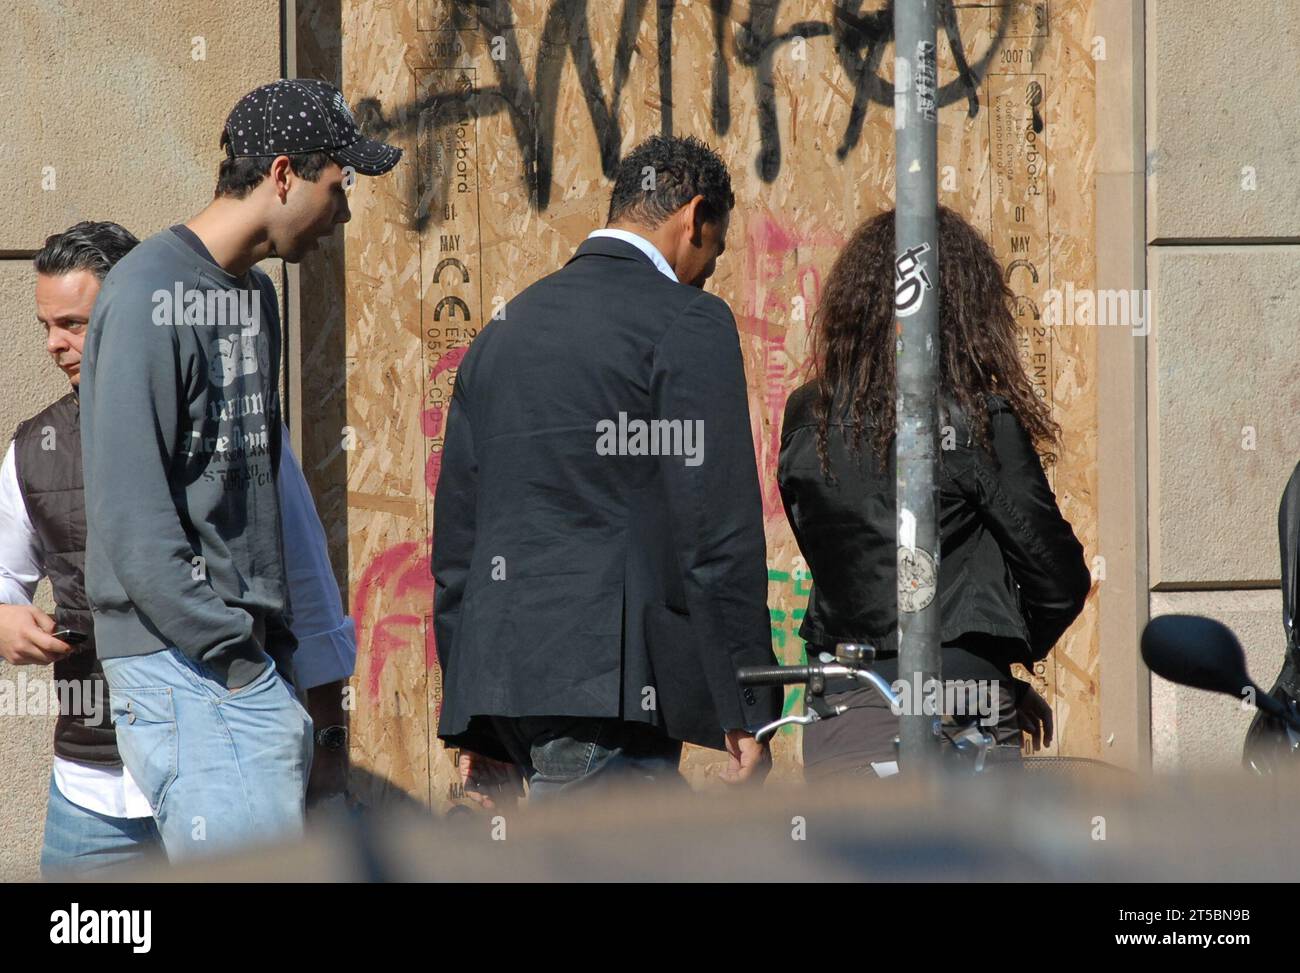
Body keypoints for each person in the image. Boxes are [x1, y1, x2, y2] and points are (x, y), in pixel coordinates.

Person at [79, 80, 398, 859]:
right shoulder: (147, 293)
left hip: (239, 665)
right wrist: (239, 665)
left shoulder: (254, 297)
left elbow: (257, 499)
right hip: (185, 668)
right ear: (283, 174)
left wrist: (283, 658)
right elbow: (132, 523)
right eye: (339, 186)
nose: (345, 213)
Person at [0, 221, 359, 875]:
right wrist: (4, 617)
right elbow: (4, 577)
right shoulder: (32, 450)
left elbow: (307, 589)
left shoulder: (235, 425)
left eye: (75, 324)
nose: (56, 344)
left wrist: (329, 737)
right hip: (90, 797)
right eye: (47, 326)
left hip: (221, 771)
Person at [434, 134, 779, 802]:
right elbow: (716, 534)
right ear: (695, 217)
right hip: (608, 694)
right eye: (715, 249)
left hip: (509, 691)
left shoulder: (500, 335)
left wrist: (474, 718)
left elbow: (458, 550)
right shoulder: (689, 322)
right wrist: (748, 705)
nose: (709, 271)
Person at [778, 206, 1091, 780]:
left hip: (840, 709)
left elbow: (830, 552)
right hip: (956, 713)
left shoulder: (808, 416)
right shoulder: (977, 419)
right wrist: (986, 651)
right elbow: (1059, 578)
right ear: (967, 313)